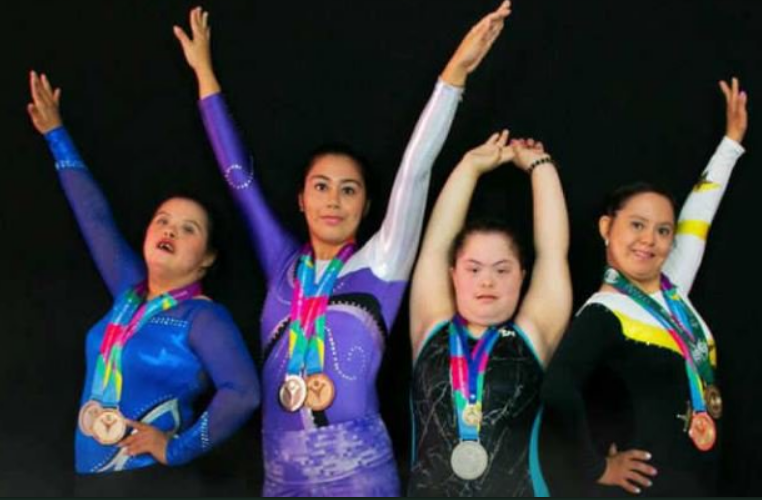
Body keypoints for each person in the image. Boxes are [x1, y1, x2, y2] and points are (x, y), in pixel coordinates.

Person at [174, 2, 512, 496]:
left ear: (367, 203)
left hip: (360, 475)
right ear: (301, 199)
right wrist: (204, 74)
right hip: (280, 475)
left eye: (349, 189)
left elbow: (415, 170)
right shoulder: (283, 265)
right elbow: (238, 181)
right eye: (322, 187)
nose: (334, 200)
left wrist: (454, 74)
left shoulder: (383, 262)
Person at [27, 70, 261, 496]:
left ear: (207, 258)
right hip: (91, 483)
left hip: (155, 484)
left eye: (188, 229)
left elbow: (243, 392)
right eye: (163, 221)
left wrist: (177, 449)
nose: (170, 231)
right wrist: (55, 135)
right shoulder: (128, 292)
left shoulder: (202, 317)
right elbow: (94, 220)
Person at [541, 78, 748, 497]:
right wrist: (595, 467)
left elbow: (698, 218)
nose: (649, 240)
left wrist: (730, 144)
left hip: (702, 483)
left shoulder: (674, 295)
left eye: (662, 231)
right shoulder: (603, 311)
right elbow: (558, 388)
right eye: (636, 225)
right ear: (606, 227)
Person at [408, 131, 571, 496]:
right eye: (473, 268)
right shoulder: (430, 327)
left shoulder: (534, 335)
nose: (487, 282)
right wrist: (469, 167)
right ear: (452, 273)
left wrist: (540, 168)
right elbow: (434, 247)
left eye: (501, 270)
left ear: (522, 276)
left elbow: (553, 250)